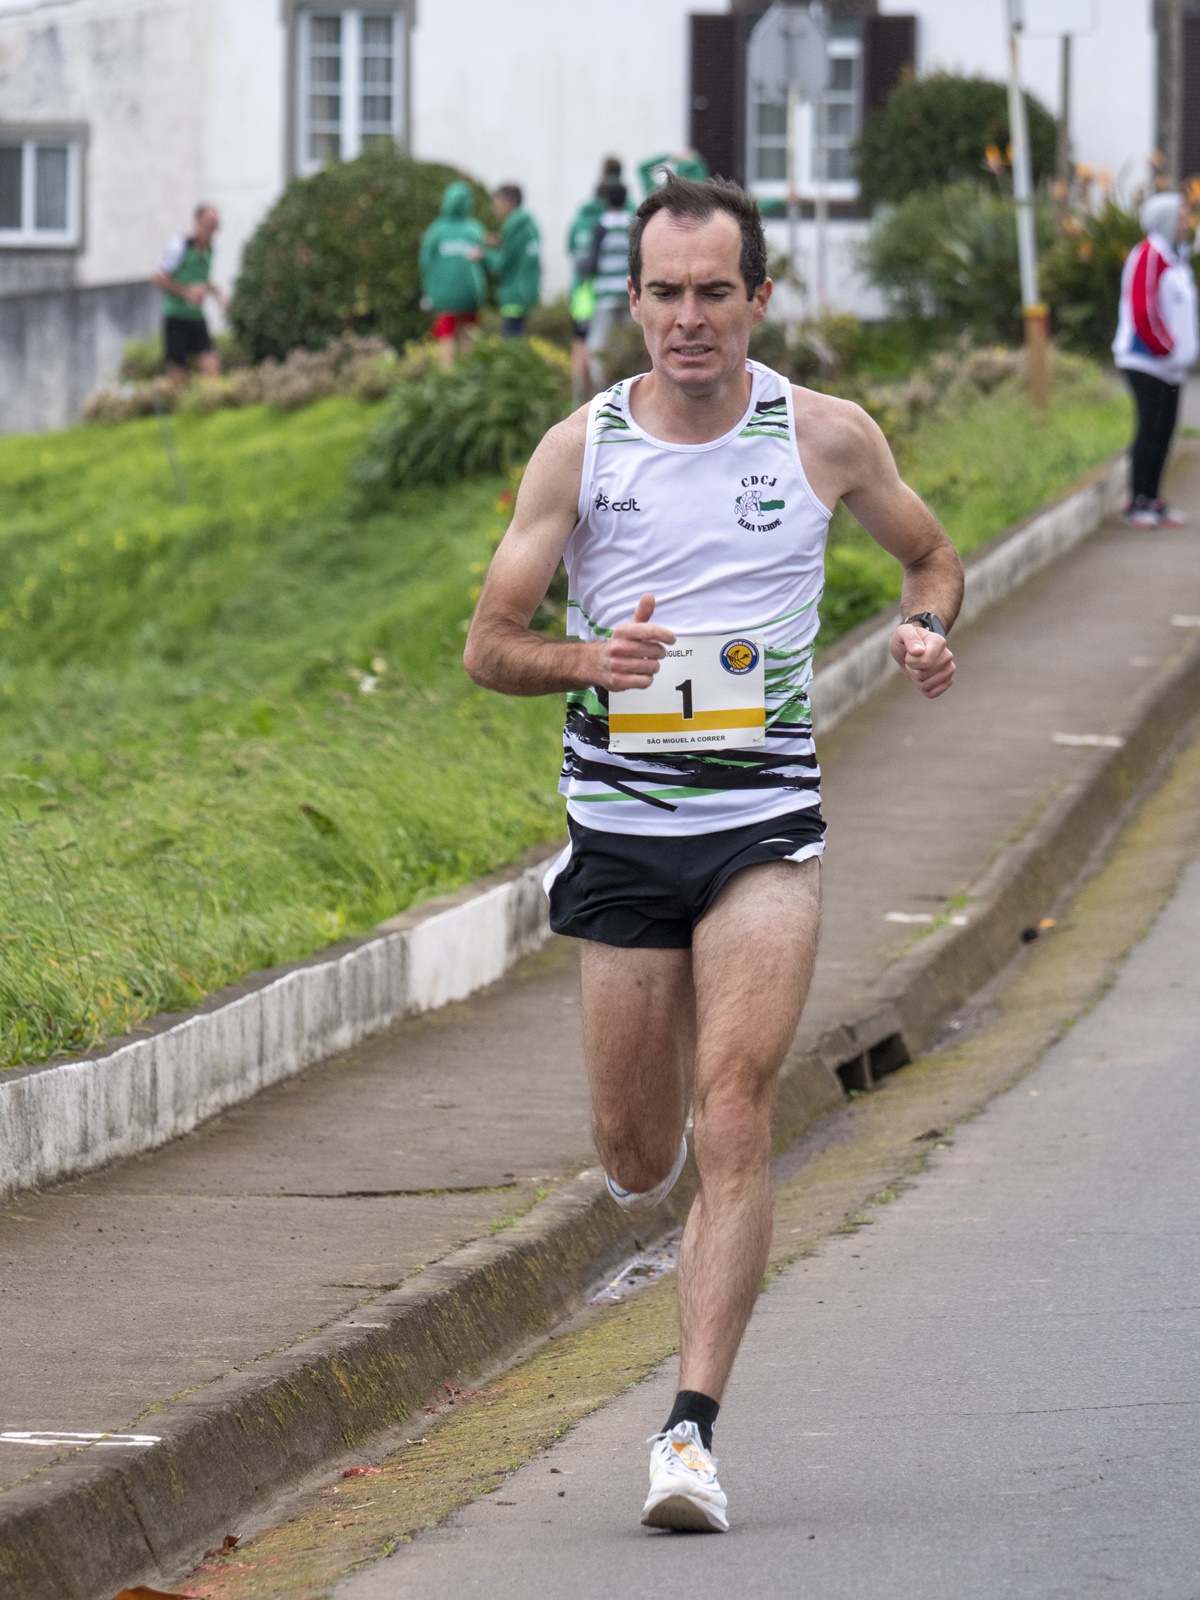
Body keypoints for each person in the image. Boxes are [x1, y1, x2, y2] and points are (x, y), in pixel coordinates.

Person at [463, 175, 962, 1533]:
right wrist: (590, 660)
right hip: (624, 836)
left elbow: (929, 556)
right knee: (638, 1154)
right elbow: (490, 645)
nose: (691, 318)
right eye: (668, 294)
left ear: (759, 299)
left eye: (715, 293)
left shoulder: (826, 435)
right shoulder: (582, 451)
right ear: (634, 303)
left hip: (764, 828)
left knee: (733, 1113)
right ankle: (663, 1167)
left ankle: (688, 1436)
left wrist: (924, 628)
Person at [1113, 189, 1198, 527]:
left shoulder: (1175, 256)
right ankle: (1137, 502)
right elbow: (1143, 308)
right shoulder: (1149, 255)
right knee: (1149, 429)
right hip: (1147, 362)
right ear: (1165, 219)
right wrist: (1165, 347)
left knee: (1164, 431)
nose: (1186, 223)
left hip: (1170, 367)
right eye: (1181, 217)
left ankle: (1153, 499)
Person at [567, 158, 623, 402]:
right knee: (622, 343)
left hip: (595, 294)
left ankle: (596, 394)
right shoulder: (631, 221)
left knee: (592, 344)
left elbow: (585, 261)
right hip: (626, 293)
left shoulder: (594, 224)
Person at [152, 204, 227, 387]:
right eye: (208, 225)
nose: (212, 231)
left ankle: (210, 401)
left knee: (212, 366)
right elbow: (158, 277)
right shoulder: (180, 246)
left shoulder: (210, 251)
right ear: (197, 223)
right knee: (178, 375)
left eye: (215, 226)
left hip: (196, 316)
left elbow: (204, 280)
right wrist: (186, 292)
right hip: (176, 316)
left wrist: (217, 294)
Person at [419, 180, 487, 369]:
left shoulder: (436, 230)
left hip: (444, 295)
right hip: (470, 294)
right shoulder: (474, 229)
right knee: (469, 336)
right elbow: (485, 259)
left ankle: (447, 376)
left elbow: (425, 261)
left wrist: (428, 290)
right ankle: (469, 376)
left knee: (446, 338)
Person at [583, 179, 635, 388]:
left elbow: (592, 263)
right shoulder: (632, 225)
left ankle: (601, 385)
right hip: (628, 292)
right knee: (627, 342)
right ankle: (628, 381)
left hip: (605, 293)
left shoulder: (601, 225)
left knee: (599, 342)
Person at [486, 184, 542, 337]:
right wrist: (501, 242)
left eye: (496, 203)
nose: (493, 208)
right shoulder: (529, 224)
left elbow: (503, 262)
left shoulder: (512, 226)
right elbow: (519, 251)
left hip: (515, 291)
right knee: (517, 335)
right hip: (527, 288)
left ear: (508, 203)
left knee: (510, 339)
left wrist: (484, 255)